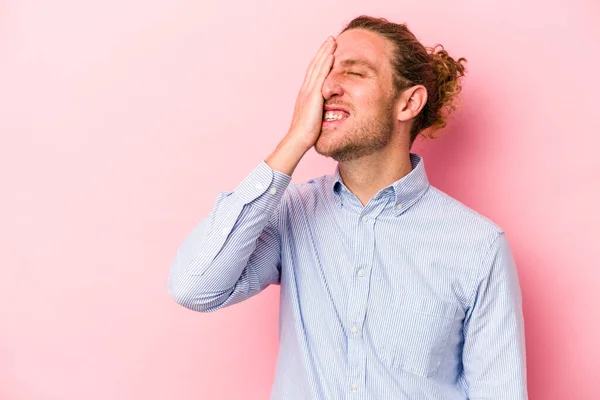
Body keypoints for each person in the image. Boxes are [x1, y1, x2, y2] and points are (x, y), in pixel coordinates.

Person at [167, 15, 528, 400]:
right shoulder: (293, 214)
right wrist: (294, 140)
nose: (327, 88)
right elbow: (194, 287)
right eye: (324, 73)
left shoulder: (478, 245)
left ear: (408, 102)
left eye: (354, 73)